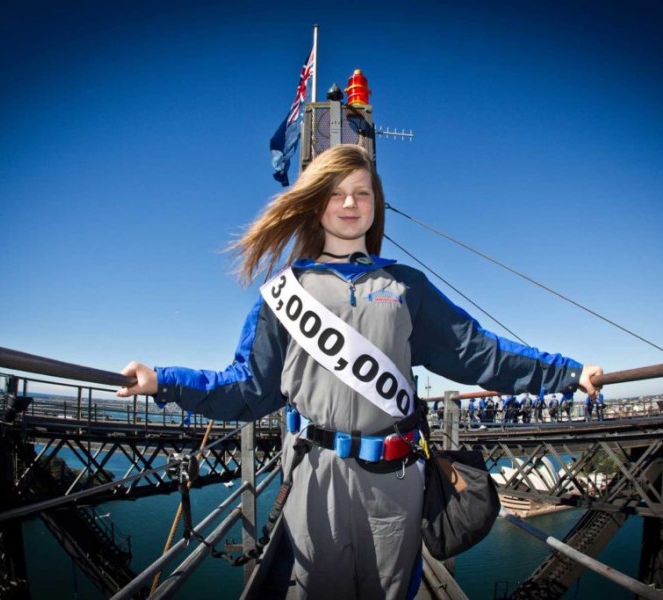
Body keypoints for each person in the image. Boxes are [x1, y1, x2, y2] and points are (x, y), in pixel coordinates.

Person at [116, 144, 603, 598]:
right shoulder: (285, 295)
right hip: (313, 474)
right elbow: (249, 388)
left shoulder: (406, 286)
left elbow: (478, 353)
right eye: (335, 193)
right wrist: (164, 381)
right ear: (315, 204)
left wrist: (566, 373)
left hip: (394, 477)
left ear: (376, 203)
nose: (349, 203)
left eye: (361, 192)